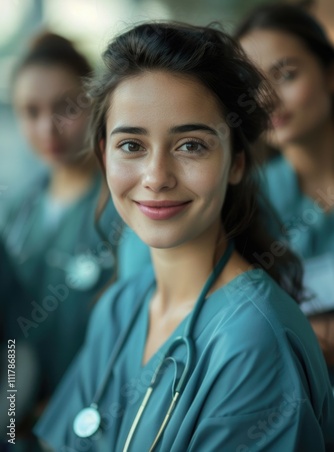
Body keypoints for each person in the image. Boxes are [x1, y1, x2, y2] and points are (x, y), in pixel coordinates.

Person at [34, 22, 334, 451]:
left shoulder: (254, 341)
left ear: (237, 163)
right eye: (132, 146)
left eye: (191, 145)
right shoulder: (122, 306)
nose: (156, 178)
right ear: (104, 155)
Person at [1, 33, 150, 437]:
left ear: (95, 104)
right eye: (30, 112)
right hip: (16, 409)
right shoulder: (16, 211)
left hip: (98, 416)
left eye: (65, 107)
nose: (47, 127)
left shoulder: (131, 209)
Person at [235, 1, 334, 384]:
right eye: (250, 85)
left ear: (329, 74)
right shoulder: (245, 201)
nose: (267, 99)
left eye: (286, 75)